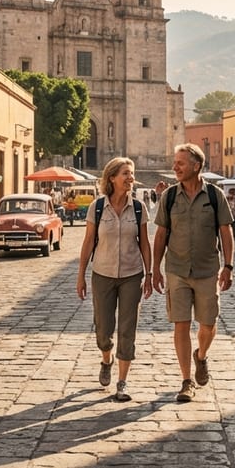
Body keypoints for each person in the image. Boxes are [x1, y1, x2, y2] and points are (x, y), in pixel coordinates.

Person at [152, 143, 234, 403]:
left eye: (181, 163)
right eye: (175, 162)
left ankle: (201, 356)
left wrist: (228, 265)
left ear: (196, 166)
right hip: (176, 269)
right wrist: (154, 268)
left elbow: (225, 231)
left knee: (208, 324)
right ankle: (186, 381)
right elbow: (161, 233)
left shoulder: (214, 195)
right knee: (181, 324)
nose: (175, 167)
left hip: (208, 269)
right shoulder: (170, 196)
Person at [76, 157, 153, 402]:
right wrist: (81, 275)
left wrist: (149, 274)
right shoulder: (97, 207)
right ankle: (106, 359)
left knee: (128, 329)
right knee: (103, 329)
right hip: (102, 274)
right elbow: (88, 242)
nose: (130, 178)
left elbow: (145, 243)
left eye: (131, 174)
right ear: (112, 178)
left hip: (132, 274)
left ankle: (122, 382)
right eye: (125, 174)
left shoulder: (139, 207)